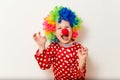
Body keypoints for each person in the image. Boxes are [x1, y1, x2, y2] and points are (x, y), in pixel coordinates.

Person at [33, 6, 88, 80]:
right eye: (59, 28)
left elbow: (79, 77)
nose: (64, 30)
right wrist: (41, 46)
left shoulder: (78, 48)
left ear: (73, 29)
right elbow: (44, 65)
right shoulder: (53, 47)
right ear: (54, 32)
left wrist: (81, 63)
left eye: (67, 27)